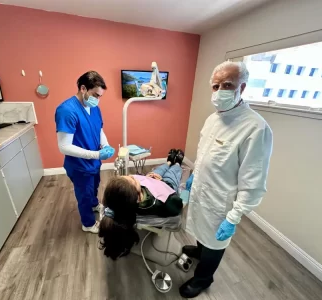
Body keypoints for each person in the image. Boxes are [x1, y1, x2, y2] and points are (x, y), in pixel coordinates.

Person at [180, 61, 273, 298]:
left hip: (222, 201)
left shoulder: (255, 128)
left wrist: (234, 216)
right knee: (202, 229)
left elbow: (253, 181)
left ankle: (203, 279)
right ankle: (201, 250)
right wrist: (193, 178)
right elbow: (204, 155)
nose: (220, 90)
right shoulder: (213, 119)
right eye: (215, 85)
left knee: (215, 241)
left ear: (241, 88)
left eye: (227, 85)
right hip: (203, 189)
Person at [55, 71, 115, 234]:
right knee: (84, 195)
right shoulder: (67, 110)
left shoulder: (94, 107)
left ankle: (95, 204)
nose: (98, 99)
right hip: (80, 166)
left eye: (100, 96)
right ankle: (88, 224)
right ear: (83, 88)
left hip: (94, 163)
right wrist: (96, 154)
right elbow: (64, 146)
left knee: (94, 187)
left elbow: (99, 129)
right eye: (95, 94)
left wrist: (105, 144)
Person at [99, 149, 185, 260]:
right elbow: (177, 206)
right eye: (133, 179)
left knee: (159, 170)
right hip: (165, 186)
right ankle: (177, 163)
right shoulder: (160, 203)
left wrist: (148, 179)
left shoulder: (120, 202)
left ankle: (168, 161)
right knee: (172, 173)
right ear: (138, 196)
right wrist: (160, 182)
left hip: (150, 182)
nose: (132, 176)